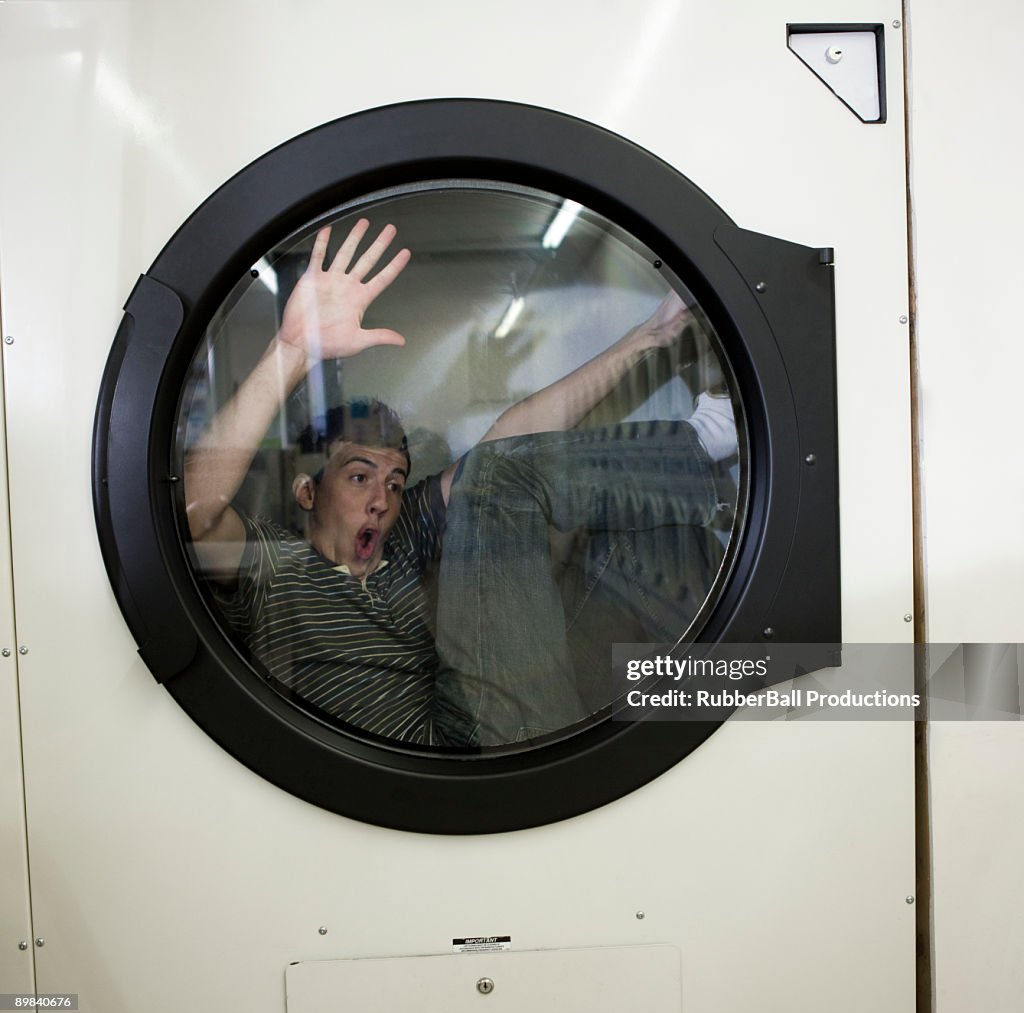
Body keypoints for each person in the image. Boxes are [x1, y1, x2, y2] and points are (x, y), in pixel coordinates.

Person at [185, 218, 733, 747]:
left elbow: (505, 444)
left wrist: (649, 336)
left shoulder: (402, 547)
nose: (381, 500)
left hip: (521, 717)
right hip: (446, 763)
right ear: (308, 492)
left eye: (396, 483)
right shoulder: (274, 568)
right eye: (359, 477)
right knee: (494, 477)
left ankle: (729, 669)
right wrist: (292, 353)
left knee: (612, 512)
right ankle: (700, 442)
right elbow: (191, 514)